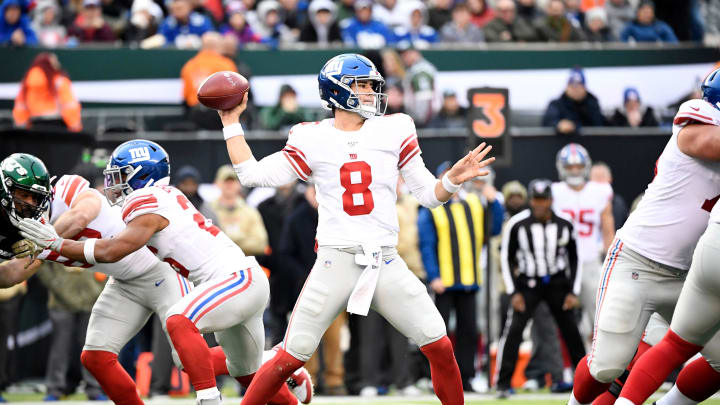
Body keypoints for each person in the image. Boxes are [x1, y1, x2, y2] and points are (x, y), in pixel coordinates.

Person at [218, 53, 495, 405]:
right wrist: (231, 123)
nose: (371, 92)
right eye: (362, 85)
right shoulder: (311, 137)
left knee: (439, 344)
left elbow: (428, 194)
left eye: (371, 85)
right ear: (337, 91)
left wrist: (451, 181)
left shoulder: (395, 128)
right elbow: (252, 175)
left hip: (386, 259)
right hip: (337, 259)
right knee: (291, 355)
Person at [17, 140, 308, 405]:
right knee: (245, 372)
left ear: (143, 175)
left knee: (179, 322)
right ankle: (277, 365)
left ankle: (210, 397)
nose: (112, 183)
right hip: (231, 280)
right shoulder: (157, 198)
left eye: (121, 174)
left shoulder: (145, 201)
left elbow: (112, 249)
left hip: (234, 279)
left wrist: (55, 243)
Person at [566, 67, 720, 405]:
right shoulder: (697, 119)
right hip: (638, 261)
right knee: (606, 367)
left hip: (688, 275)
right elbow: (709, 143)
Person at [496, 179, 585, 398]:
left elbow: (575, 258)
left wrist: (573, 291)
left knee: (572, 332)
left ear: (551, 200)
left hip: (557, 283)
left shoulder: (565, 223)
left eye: (543, 200)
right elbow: (506, 258)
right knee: (514, 331)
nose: (539, 205)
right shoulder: (518, 224)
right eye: (536, 200)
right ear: (530, 200)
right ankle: (503, 384)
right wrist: (513, 292)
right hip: (528, 285)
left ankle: (584, 382)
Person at [417, 162, 496, 392]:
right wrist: (434, 276)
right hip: (444, 282)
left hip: (469, 280)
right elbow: (427, 244)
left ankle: (467, 377)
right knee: (438, 335)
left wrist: (494, 203)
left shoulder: (473, 203)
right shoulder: (433, 206)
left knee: (469, 332)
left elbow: (493, 229)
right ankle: (436, 379)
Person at [279, 183, 347, 396]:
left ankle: (335, 381)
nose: (318, 196)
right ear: (308, 192)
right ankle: (310, 381)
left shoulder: (337, 217)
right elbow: (285, 254)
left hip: (335, 286)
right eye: (315, 191)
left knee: (335, 338)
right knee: (308, 338)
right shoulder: (297, 218)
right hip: (307, 289)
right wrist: (303, 277)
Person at [552, 143, 614, 339]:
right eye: (570, 167)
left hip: (589, 261)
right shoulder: (554, 191)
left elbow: (607, 228)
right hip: (560, 264)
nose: (575, 171)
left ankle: (597, 362)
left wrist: (610, 257)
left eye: (578, 166)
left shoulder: (600, 191)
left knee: (599, 316)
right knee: (555, 316)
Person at [181, 32, 238, 130]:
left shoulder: (189, 66)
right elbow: (233, 95)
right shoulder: (226, 64)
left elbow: (186, 96)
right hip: (219, 116)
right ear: (217, 46)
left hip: (195, 116)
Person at [13, 53, 82, 132]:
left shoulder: (26, 83)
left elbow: (20, 108)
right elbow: (69, 105)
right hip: (57, 126)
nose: (58, 64)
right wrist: (75, 127)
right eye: (55, 62)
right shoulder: (59, 81)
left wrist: (22, 129)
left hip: (35, 127)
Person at [210, 165, 268, 256]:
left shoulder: (250, 212)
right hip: (217, 265)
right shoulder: (208, 210)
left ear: (239, 184)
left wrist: (228, 239)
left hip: (245, 264)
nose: (229, 185)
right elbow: (206, 244)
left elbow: (261, 244)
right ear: (217, 183)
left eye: (232, 181)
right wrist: (242, 239)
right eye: (225, 181)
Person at [542, 68, 605, 135]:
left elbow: (599, 125)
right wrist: (558, 124)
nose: (576, 90)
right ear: (567, 87)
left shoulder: (592, 104)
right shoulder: (556, 104)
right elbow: (547, 121)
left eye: (579, 86)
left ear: (585, 88)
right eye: (573, 86)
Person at [400, 47, 437, 127]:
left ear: (415, 53)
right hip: (423, 119)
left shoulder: (420, 69)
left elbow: (424, 98)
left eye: (406, 54)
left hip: (423, 120)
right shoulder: (416, 68)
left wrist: (420, 121)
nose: (404, 58)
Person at [590, 162, 628, 230]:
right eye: (596, 177)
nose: (599, 181)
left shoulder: (619, 204)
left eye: (602, 177)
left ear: (610, 179)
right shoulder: (583, 203)